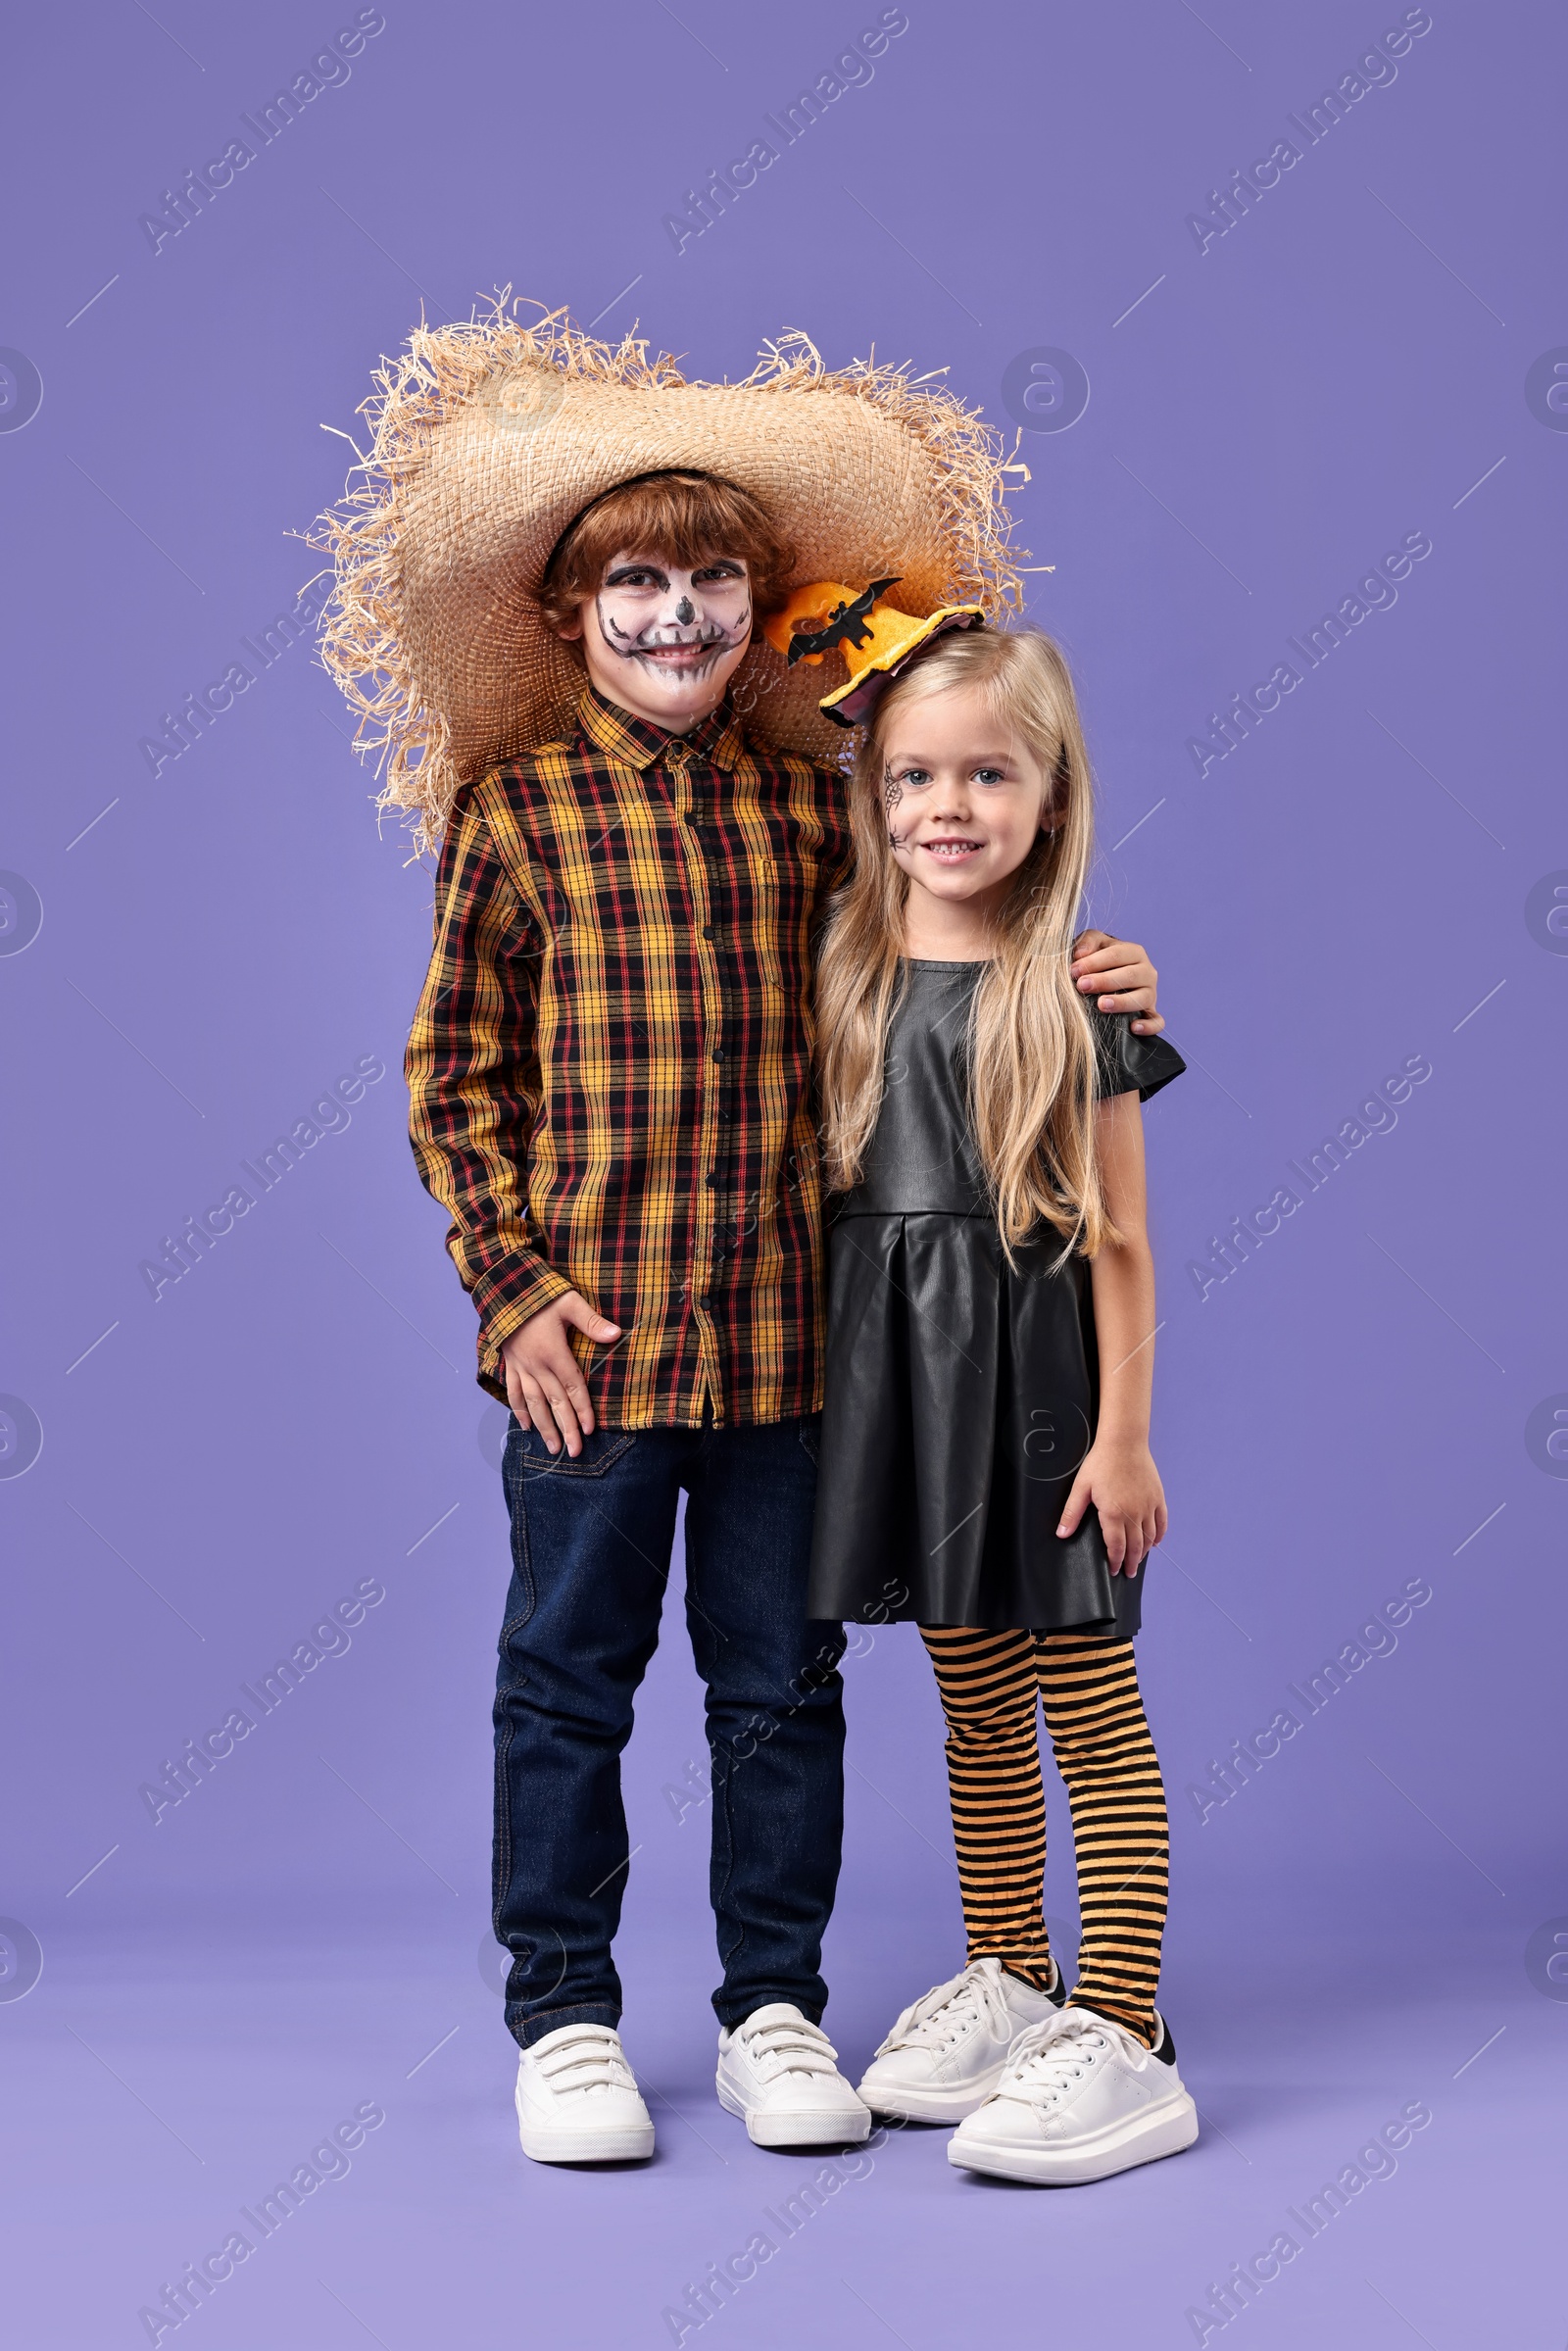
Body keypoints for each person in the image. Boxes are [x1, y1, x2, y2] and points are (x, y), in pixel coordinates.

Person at [315, 309, 1163, 2166]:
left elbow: (962, 915)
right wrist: (513, 1293)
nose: (677, 615)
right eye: (636, 582)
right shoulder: (516, 816)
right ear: (566, 616)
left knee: (781, 1685)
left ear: (760, 613)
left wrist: (1100, 974)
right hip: (594, 1353)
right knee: (565, 1676)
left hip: (802, 1351)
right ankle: (567, 2013)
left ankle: (775, 2001)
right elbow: (456, 1080)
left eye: (714, 580)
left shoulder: (825, 816)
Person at [806, 621, 1198, 2185]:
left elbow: (1122, 1243)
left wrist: (1122, 1437)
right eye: (913, 773)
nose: (946, 805)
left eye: (988, 771)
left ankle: (1127, 2026)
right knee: (973, 1702)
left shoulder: (1079, 996)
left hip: (1042, 1401)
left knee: (1087, 1707)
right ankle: (1014, 1974)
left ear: (1053, 795)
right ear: (872, 788)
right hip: (904, 1393)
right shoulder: (838, 967)